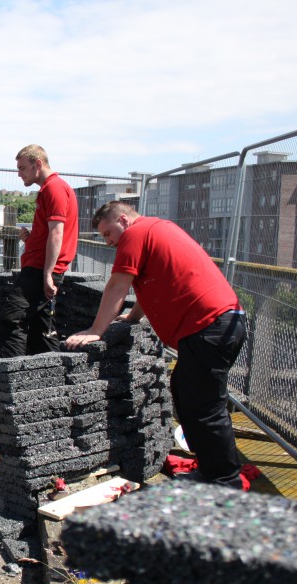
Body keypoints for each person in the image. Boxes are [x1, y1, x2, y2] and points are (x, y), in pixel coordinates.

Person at [64, 201, 247, 488]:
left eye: (108, 233)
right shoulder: (156, 230)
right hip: (216, 325)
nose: (108, 241)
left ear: (123, 221)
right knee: (187, 396)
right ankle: (213, 472)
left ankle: (225, 480)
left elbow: (118, 285)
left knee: (204, 406)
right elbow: (157, 281)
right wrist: (134, 315)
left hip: (209, 327)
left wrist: (96, 330)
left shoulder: (135, 235)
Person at [0, 144, 79, 357]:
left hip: (39, 269)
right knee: (43, 331)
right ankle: (51, 380)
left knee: (12, 318)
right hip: (41, 266)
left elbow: (57, 233)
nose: (19, 173)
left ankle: (11, 377)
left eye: (22, 168)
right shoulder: (51, 189)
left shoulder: (54, 188)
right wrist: (32, 239)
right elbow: (52, 233)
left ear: (38, 164)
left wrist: (48, 273)